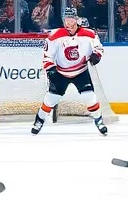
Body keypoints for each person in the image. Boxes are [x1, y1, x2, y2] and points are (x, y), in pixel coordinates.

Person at [31, 7, 107, 136]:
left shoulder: (89, 34)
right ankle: (39, 121)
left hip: (81, 72)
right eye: (66, 20)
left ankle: (99, 121)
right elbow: (47, 56)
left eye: (71, 20)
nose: (68, 23)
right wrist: (51, 69)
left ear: (76, 20)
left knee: (89, 97)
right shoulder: (55, 35)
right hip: (61, 73)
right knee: (50, 100)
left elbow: (98, 47)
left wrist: (96, 55)